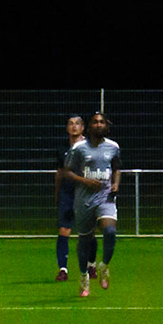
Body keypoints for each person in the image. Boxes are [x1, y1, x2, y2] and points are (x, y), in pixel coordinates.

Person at [62, 112, 121, 297]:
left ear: (107, 126)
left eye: (102, 122)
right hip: (84, 200)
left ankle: (104, 265)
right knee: (85, 240)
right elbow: (67, 172)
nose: (98, 125)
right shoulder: (79, 148)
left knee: (110, 232)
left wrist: (116, 183)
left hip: (105, 198)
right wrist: (85, 181)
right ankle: (83, 275)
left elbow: (117, 167)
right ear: (89, 126)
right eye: (95, 122)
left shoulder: (113, 147)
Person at [54, 114, 85, 280]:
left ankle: (90, 264)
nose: (74, 127)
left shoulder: (90, 147)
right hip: (67, 194)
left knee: (87, 232)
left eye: (77, 124)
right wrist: (57, 193)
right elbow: (59, 173)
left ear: (82, 128)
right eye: (71, 124)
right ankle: (63, 269)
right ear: (67, 128)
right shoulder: (62, 149)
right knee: (64, 230)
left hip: (85, 193)